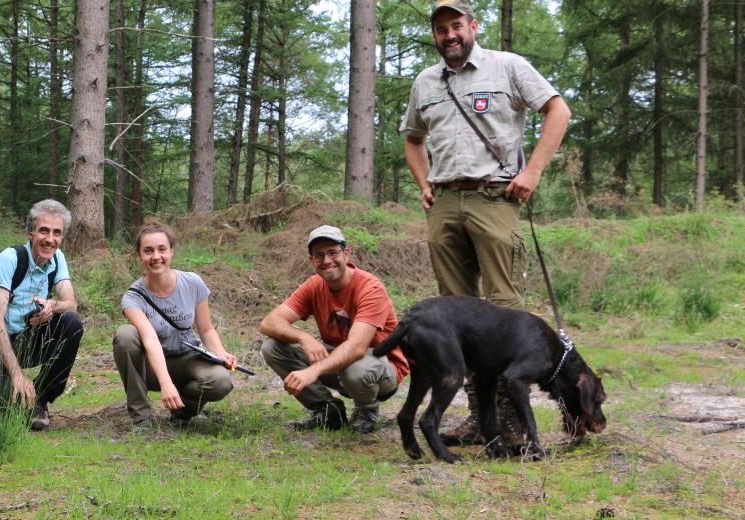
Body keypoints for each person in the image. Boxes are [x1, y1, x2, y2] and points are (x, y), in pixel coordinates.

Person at [400, 0, 571, 447]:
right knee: (457, 320)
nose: (449, 35)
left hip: (496, 198)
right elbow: (413, 138)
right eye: (441, 29)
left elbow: (558, 111)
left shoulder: (508, 67)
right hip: (444, 202)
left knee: (505, 310)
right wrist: (423, 183)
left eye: (456, 25)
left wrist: (531, 172)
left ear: (473, 26)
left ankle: (512, 424)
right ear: (435, 36)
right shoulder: (426, 81)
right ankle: (481, 421)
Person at [258, 226, 409, 434]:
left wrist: (313, 370)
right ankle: (327, 411)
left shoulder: (370, 288)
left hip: (381, 368)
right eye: (319, 255)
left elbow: (356, 347)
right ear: (312, 261)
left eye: (333, 252)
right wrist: (303, 337)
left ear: (346, 254)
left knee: (356, 369)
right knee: (272, 346)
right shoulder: (314, 286)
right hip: (342, 365)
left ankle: (366, 410)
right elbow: (269, 322)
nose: (326, 260)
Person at [0, 199, 84, 431]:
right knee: (11, 416)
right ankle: (6, 394)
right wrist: (18, 376)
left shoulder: (57, 258)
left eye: (56, 233)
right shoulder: (10, 259)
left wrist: (52, 305)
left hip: (26, 341)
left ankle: (41, 398)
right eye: (43, 230)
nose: (50, 239)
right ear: (30, 233)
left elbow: (70, 303)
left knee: (71, 324)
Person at [113, 222, 236, 433]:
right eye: (148, 251)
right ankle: (141, 418)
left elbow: (206, 329)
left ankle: (182, 412)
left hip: (188, 357)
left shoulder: (193, 282)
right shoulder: (133, 297)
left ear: (171, 251)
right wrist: (165, 383)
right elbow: (149, 338)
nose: (156, 256)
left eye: (162, 249)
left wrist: (221, 352)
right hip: (151, 366)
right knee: (125, 335)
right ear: (139, 256)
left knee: (221, 381)